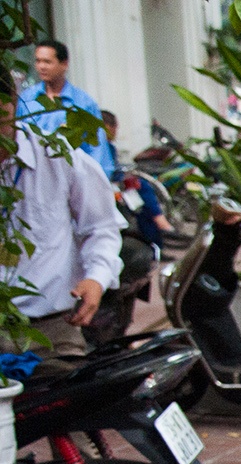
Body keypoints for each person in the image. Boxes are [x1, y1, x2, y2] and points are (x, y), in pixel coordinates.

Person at [0, 91, 122, 362]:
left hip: (51, 329)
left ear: (14, 103)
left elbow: (101, 226)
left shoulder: (57, 155)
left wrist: (97, 277)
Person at [17, 41, 115, 175]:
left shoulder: (83, 102)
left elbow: (97, 148)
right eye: (38, 61)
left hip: (72, 175)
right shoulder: (26, 98)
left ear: (64, 64)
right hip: (34, 174)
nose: (41, 67)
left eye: (47, 62)